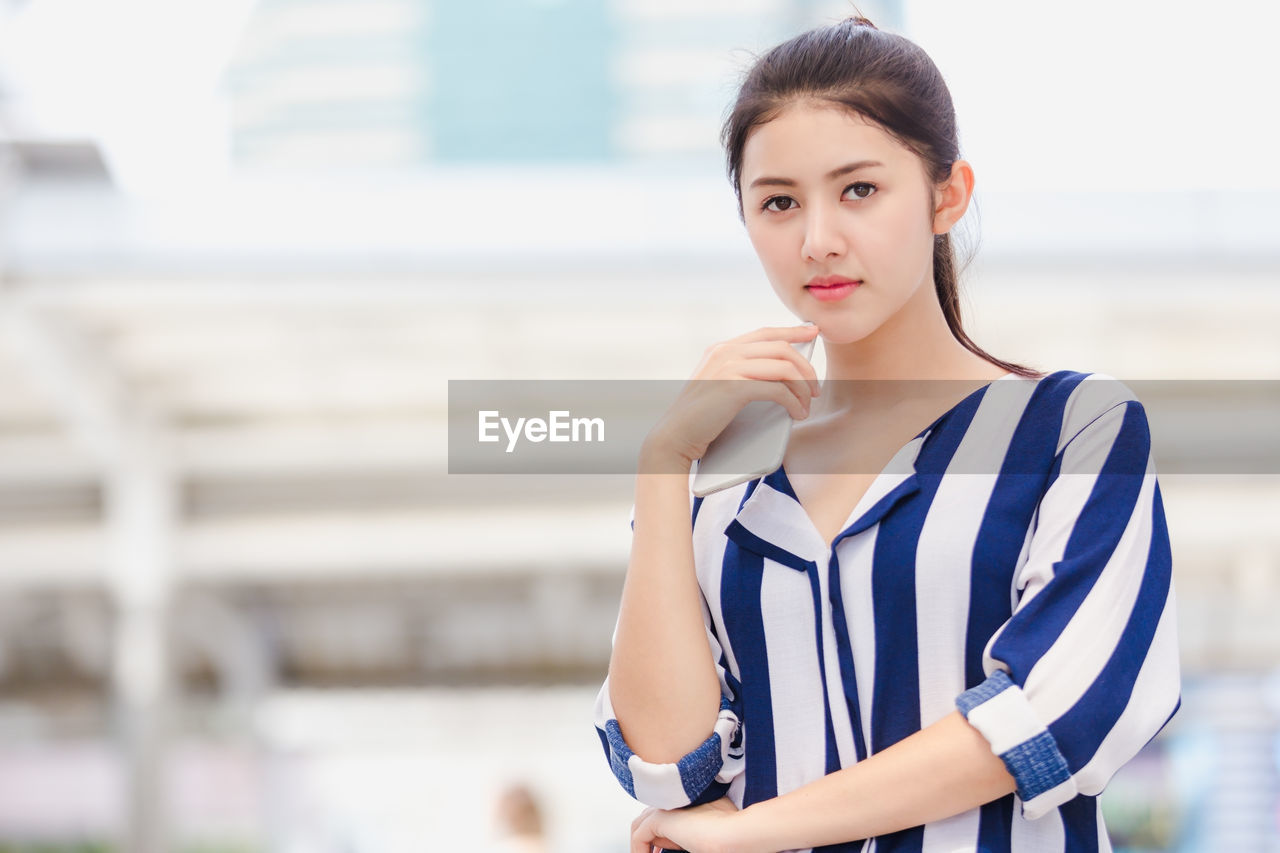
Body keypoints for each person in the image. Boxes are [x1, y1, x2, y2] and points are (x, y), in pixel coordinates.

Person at [591, 14, 1181, 853]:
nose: (819, 239)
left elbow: (1047, 715)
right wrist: (661, 463)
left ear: (948, 195)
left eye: (859, 189)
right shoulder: (723, 473)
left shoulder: (1072, 429)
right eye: (779, 202)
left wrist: (753, 831)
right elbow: (667, 763)